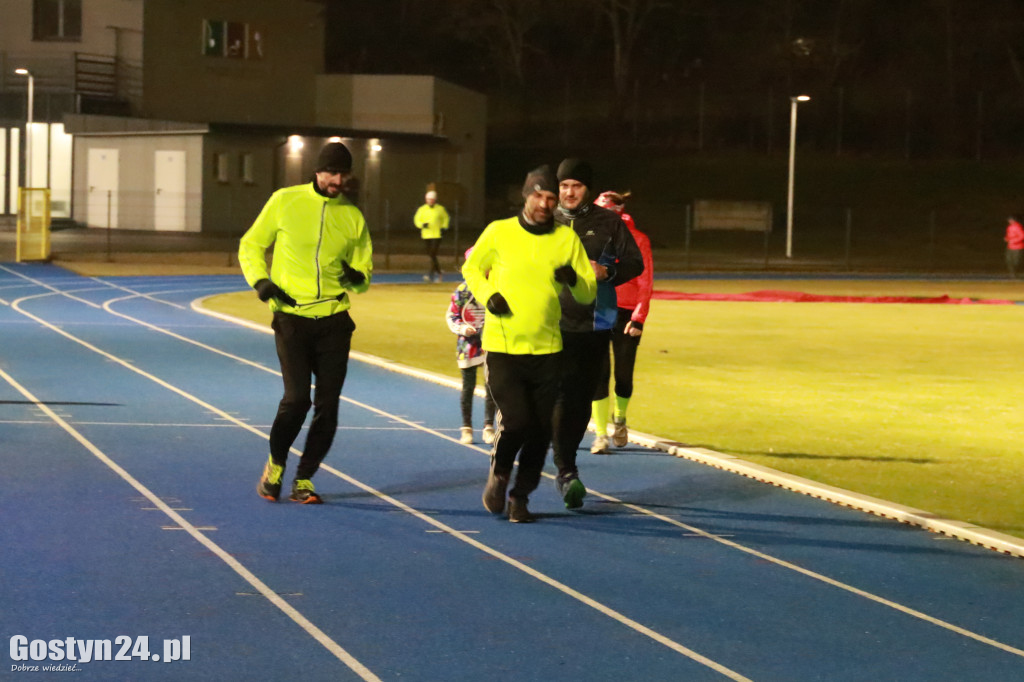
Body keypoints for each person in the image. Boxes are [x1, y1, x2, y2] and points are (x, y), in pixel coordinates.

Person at [239, 141, 373, 504]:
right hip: (291, 318)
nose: (337, 180)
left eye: (343, 174)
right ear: (317, 170)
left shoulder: (353, 217)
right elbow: (250, 244)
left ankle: (305, 479)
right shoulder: (285, 200)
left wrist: (353, 276)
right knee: (296, 400)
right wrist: (260, 280)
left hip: (334, 320)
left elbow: (364, 277)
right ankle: (276, 464)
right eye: (331, 172)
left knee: (327, 406)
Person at [462, 165, 596, 522]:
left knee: (540, 432)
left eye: (551, 198)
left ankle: (520, 497)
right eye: (538, 195)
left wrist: (574, 280)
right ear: (526, 196)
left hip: (548, 348)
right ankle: (500, 472)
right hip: (504, 347)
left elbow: (586, 292)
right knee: (518, 421)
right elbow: (472, 269)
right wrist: (488, 294)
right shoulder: (499, 232)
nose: (545, 203)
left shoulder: (566, 239)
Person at [551, 159, 644, 509]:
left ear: (586, 188)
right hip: (546, 324)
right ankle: (561, 467)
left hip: (593, 324)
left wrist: (607, 271)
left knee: (579, 401)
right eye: (564, 186)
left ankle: (567, 470)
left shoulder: (609, 223)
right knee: (553, 397)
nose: (569, 192)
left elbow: (635, 263)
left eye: (575, 185)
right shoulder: (546, 222)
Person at [590, 191, 653, 453]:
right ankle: (601, 435)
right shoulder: (590, 238)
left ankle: (620, 418)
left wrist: (639, 317)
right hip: (598, 309)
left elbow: (645, 281)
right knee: (598, 373)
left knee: (623, 374)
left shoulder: (638, 240)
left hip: (627, 313)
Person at [446, 249, 496, 445]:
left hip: (491, 344)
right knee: (468, 388)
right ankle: (466, 428)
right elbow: (452, 316)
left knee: (491, 386)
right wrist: (462, 328)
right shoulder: (461, 291)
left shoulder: (495, 287)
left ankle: (489, 427)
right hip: (466, 346)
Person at [413, 189, 450, 282]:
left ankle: (431, 274)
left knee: (433, 254)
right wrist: (422, 225)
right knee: (431, 255)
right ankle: (439, 272)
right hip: (426, 235)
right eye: (428, 199)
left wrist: (444, 227)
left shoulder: (440, 209)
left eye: (431, 199)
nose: (430, 201)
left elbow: (445, 218)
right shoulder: (422, 209)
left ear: (435, 200)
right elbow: (417, 220)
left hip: (437, 235)